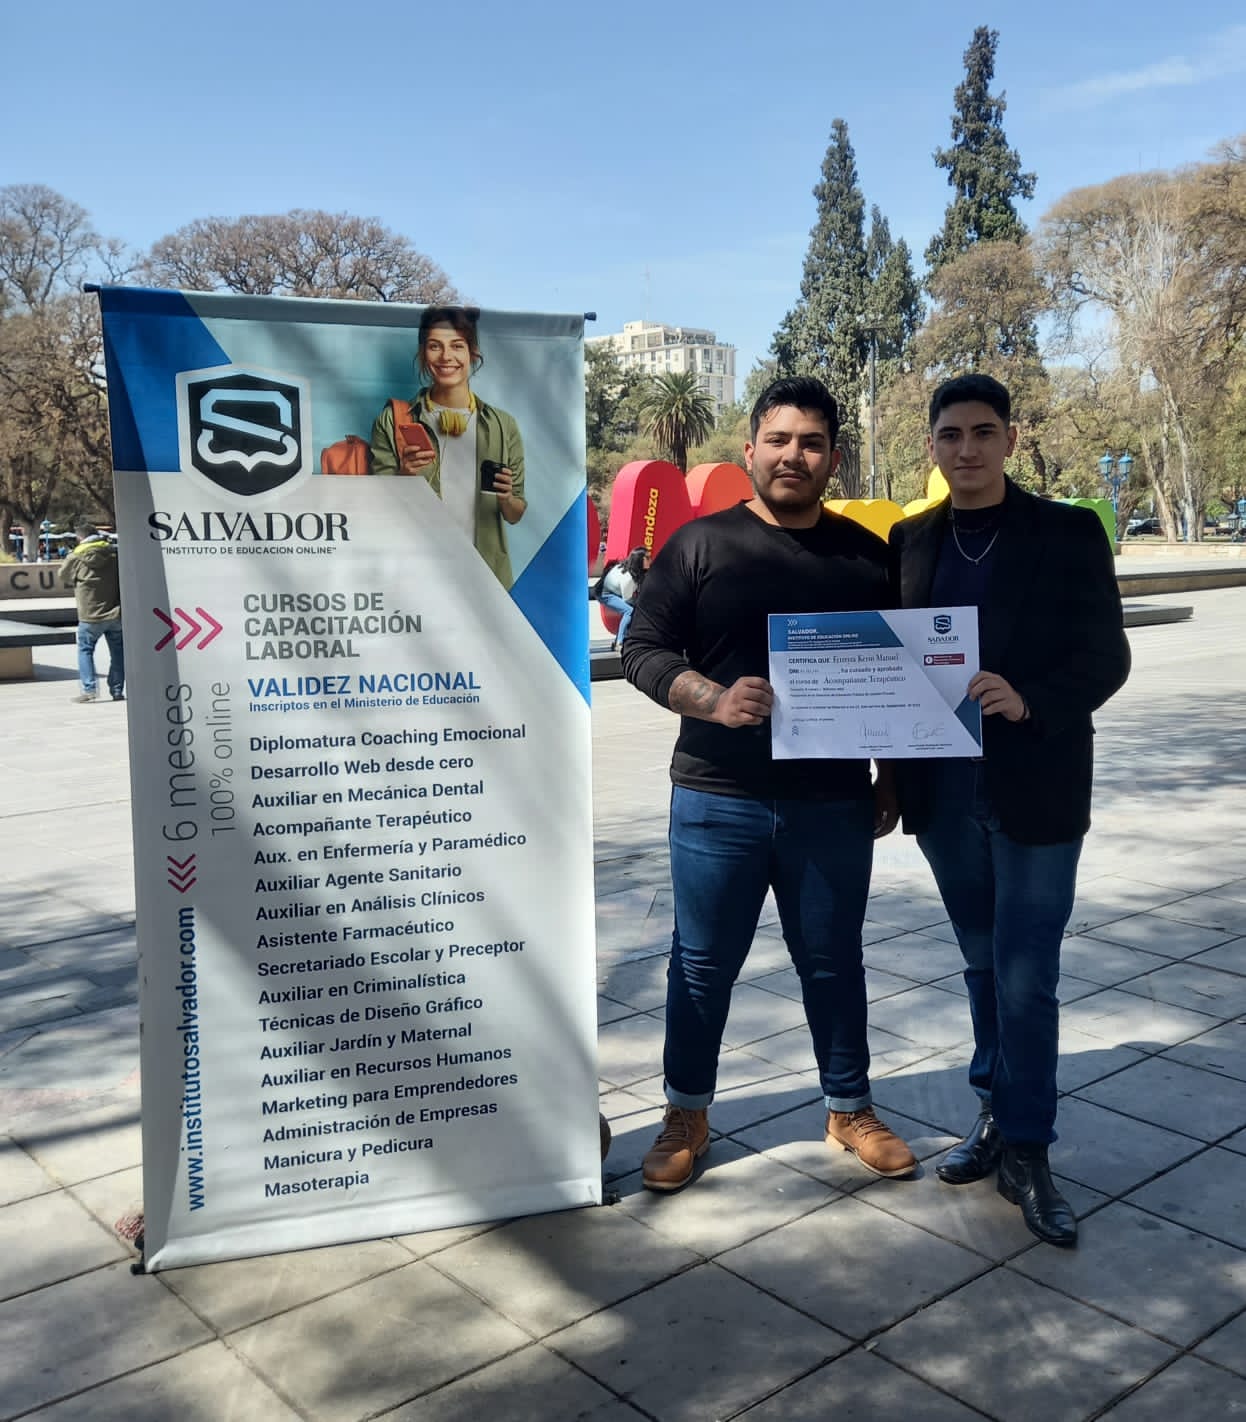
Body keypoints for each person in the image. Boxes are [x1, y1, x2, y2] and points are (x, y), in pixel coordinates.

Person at [621, 376, 916, 1192]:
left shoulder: (866, 557)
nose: (794, 456)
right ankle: (686, 1113)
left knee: (833, 961)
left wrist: (890, 777)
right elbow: (642, 649)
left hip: (832, 802)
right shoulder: (698, 545)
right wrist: (711, 699)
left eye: (811, 443)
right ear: (750, 449)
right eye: (779, 440)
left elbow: (897, 676)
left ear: (833, 459)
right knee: (701, 965)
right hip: (717, 797)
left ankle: (849, 1107)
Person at [889, 373, 1130, 1247]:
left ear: (1011, 440)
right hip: (945, 795)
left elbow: (1105, 656)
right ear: (932, 446)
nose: (967, 449)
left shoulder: (1067, 533)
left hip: (1038, 786)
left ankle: (1028, 1147)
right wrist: (886, 772)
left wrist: (1029, 700)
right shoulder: (911, 540)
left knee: (1027, 977)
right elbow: (892, 668)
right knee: (982, 964)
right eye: (951, 435)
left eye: (983, 432)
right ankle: (994, 1112)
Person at [370, 306, 526, 589]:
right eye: (434, 346)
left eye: (457, 345)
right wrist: (404, 477)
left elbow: (515, 514)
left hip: (485, 579)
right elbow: (378, 510)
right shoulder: (393, 420)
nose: (446, 357)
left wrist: (506, 499)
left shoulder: (503, 425)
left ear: (472, 352)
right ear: (422, 353)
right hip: (420, 577)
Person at [61, 521, 124, 704]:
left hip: (89, 614)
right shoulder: (113, 553)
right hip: (114, 612)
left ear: (80, 537)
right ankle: (117, 690)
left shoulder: (76, 556)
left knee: (85, 650)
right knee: (118, 653)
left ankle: (89, 690)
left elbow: (63, 576)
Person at [597, 546, 650, 649]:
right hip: (605, 594)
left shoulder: (635, 571)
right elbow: (628, 599)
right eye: (647, 558)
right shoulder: (628, 577)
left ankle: (618, 641)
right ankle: (619, 642)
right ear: (639, 560)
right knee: (629, 611)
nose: (650, 560)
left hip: (614, 591)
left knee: (632, 610)